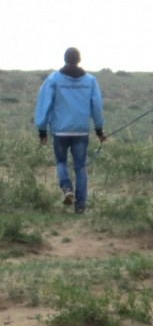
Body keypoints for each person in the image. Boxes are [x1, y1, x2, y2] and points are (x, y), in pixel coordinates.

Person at [34, 47, 107, 214]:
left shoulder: (53, 79)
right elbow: (97, 107)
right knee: (80, 167)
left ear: (65, 59)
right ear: (79, 60)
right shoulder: (90, 80)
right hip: (81, 131)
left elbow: (45, 104)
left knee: (61, 162)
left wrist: (42, 130)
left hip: (59, 132)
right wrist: (99, 130)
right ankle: (80, 205)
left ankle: (67, 188)